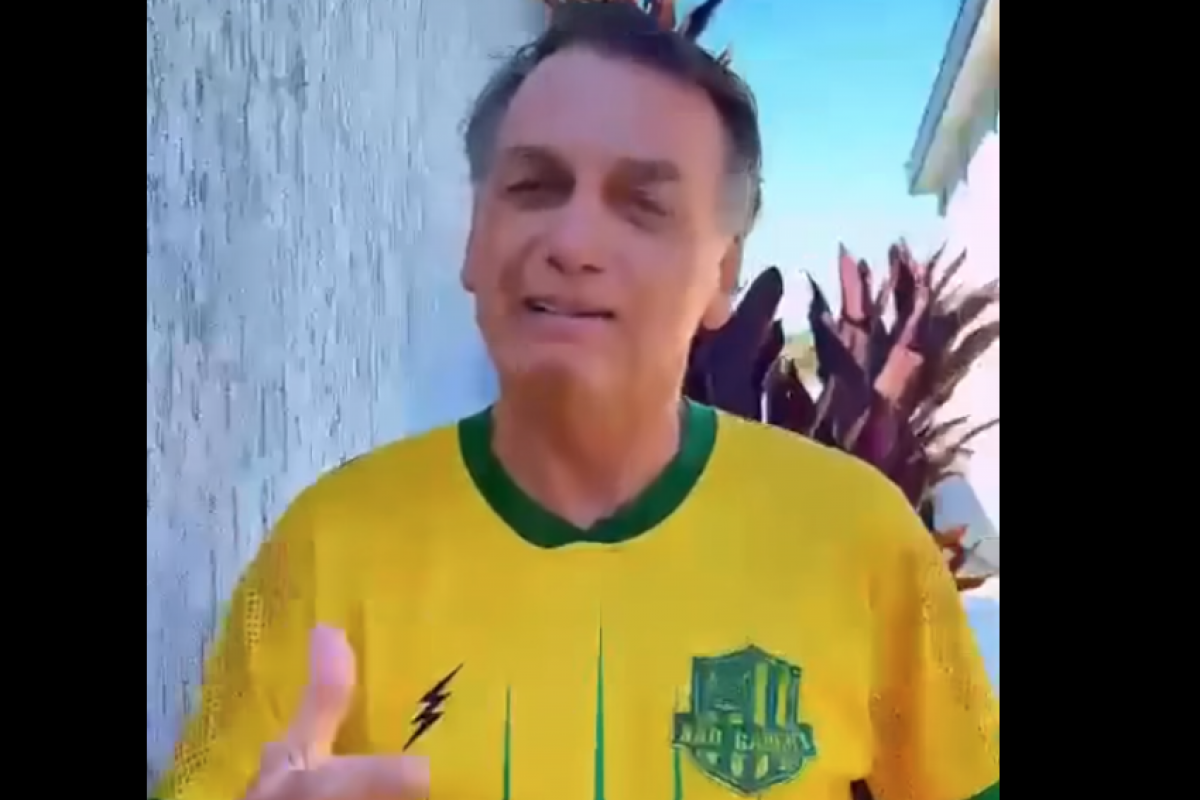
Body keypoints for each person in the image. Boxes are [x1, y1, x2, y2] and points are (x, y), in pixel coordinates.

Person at [154, 4, 999, 800]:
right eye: (534, 187)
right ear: (474, 239)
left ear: (723, 274)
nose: (572, 242)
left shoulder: (859, 542)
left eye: (642, 205)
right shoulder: (326, 550)